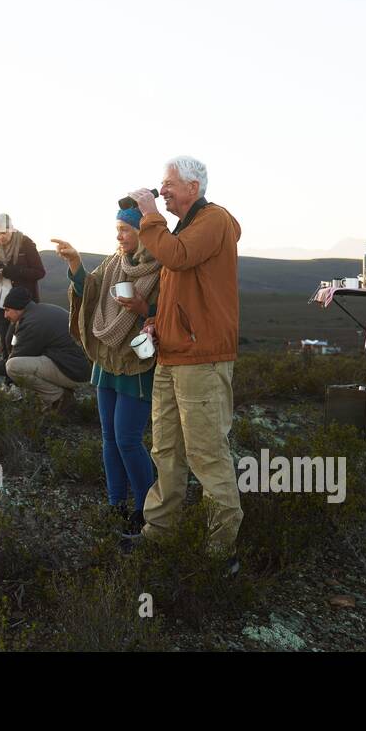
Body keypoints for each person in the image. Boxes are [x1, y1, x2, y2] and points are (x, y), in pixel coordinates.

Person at [126, 155, 243, 576]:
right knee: (167, 451)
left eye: (169, 183)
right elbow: (180, 288)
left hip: (202, 360)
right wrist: (157, 322)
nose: (164, 190)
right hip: (172, 357)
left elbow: (176, 257)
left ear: (194, 186)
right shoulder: (183, 229)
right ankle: (160, 533)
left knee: (207, 454)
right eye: (162, 184)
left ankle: (220, 553)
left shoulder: (214, 221)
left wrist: (150, 216)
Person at [51, 206, 161, 539]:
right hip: (106, 362)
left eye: (125, 230)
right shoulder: (114, 262)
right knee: (109, 439)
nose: (119, 236)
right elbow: (91, 290)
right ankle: (116, 505)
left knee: (128, 440)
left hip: (137, 363)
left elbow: (170, 311)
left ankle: (145, 510)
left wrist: (145, 310)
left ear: (143, 233)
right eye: (117, 229)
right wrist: (75, 265)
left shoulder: (162, 268)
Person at [0, 286, 89, 414]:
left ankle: (59, 398)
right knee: (22, 362)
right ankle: (61, 393)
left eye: (7, 310)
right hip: (78, 367)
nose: (5, 315)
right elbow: (13, 343)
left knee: (14, 367)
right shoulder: (38, 311)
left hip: (75, 372)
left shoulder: (31, 323)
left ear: (19, 309)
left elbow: (9, 364)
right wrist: (13, 328)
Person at [0, 213, 46, 362]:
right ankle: (8, 380)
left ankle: (21, 377)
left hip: (22, 305)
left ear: (11, 228)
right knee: (5, 344)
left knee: (18, 342)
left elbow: (39, 272)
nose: (1, 237)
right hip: (1, 303)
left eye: (4, 232)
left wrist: (12, 271)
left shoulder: (25, 243)